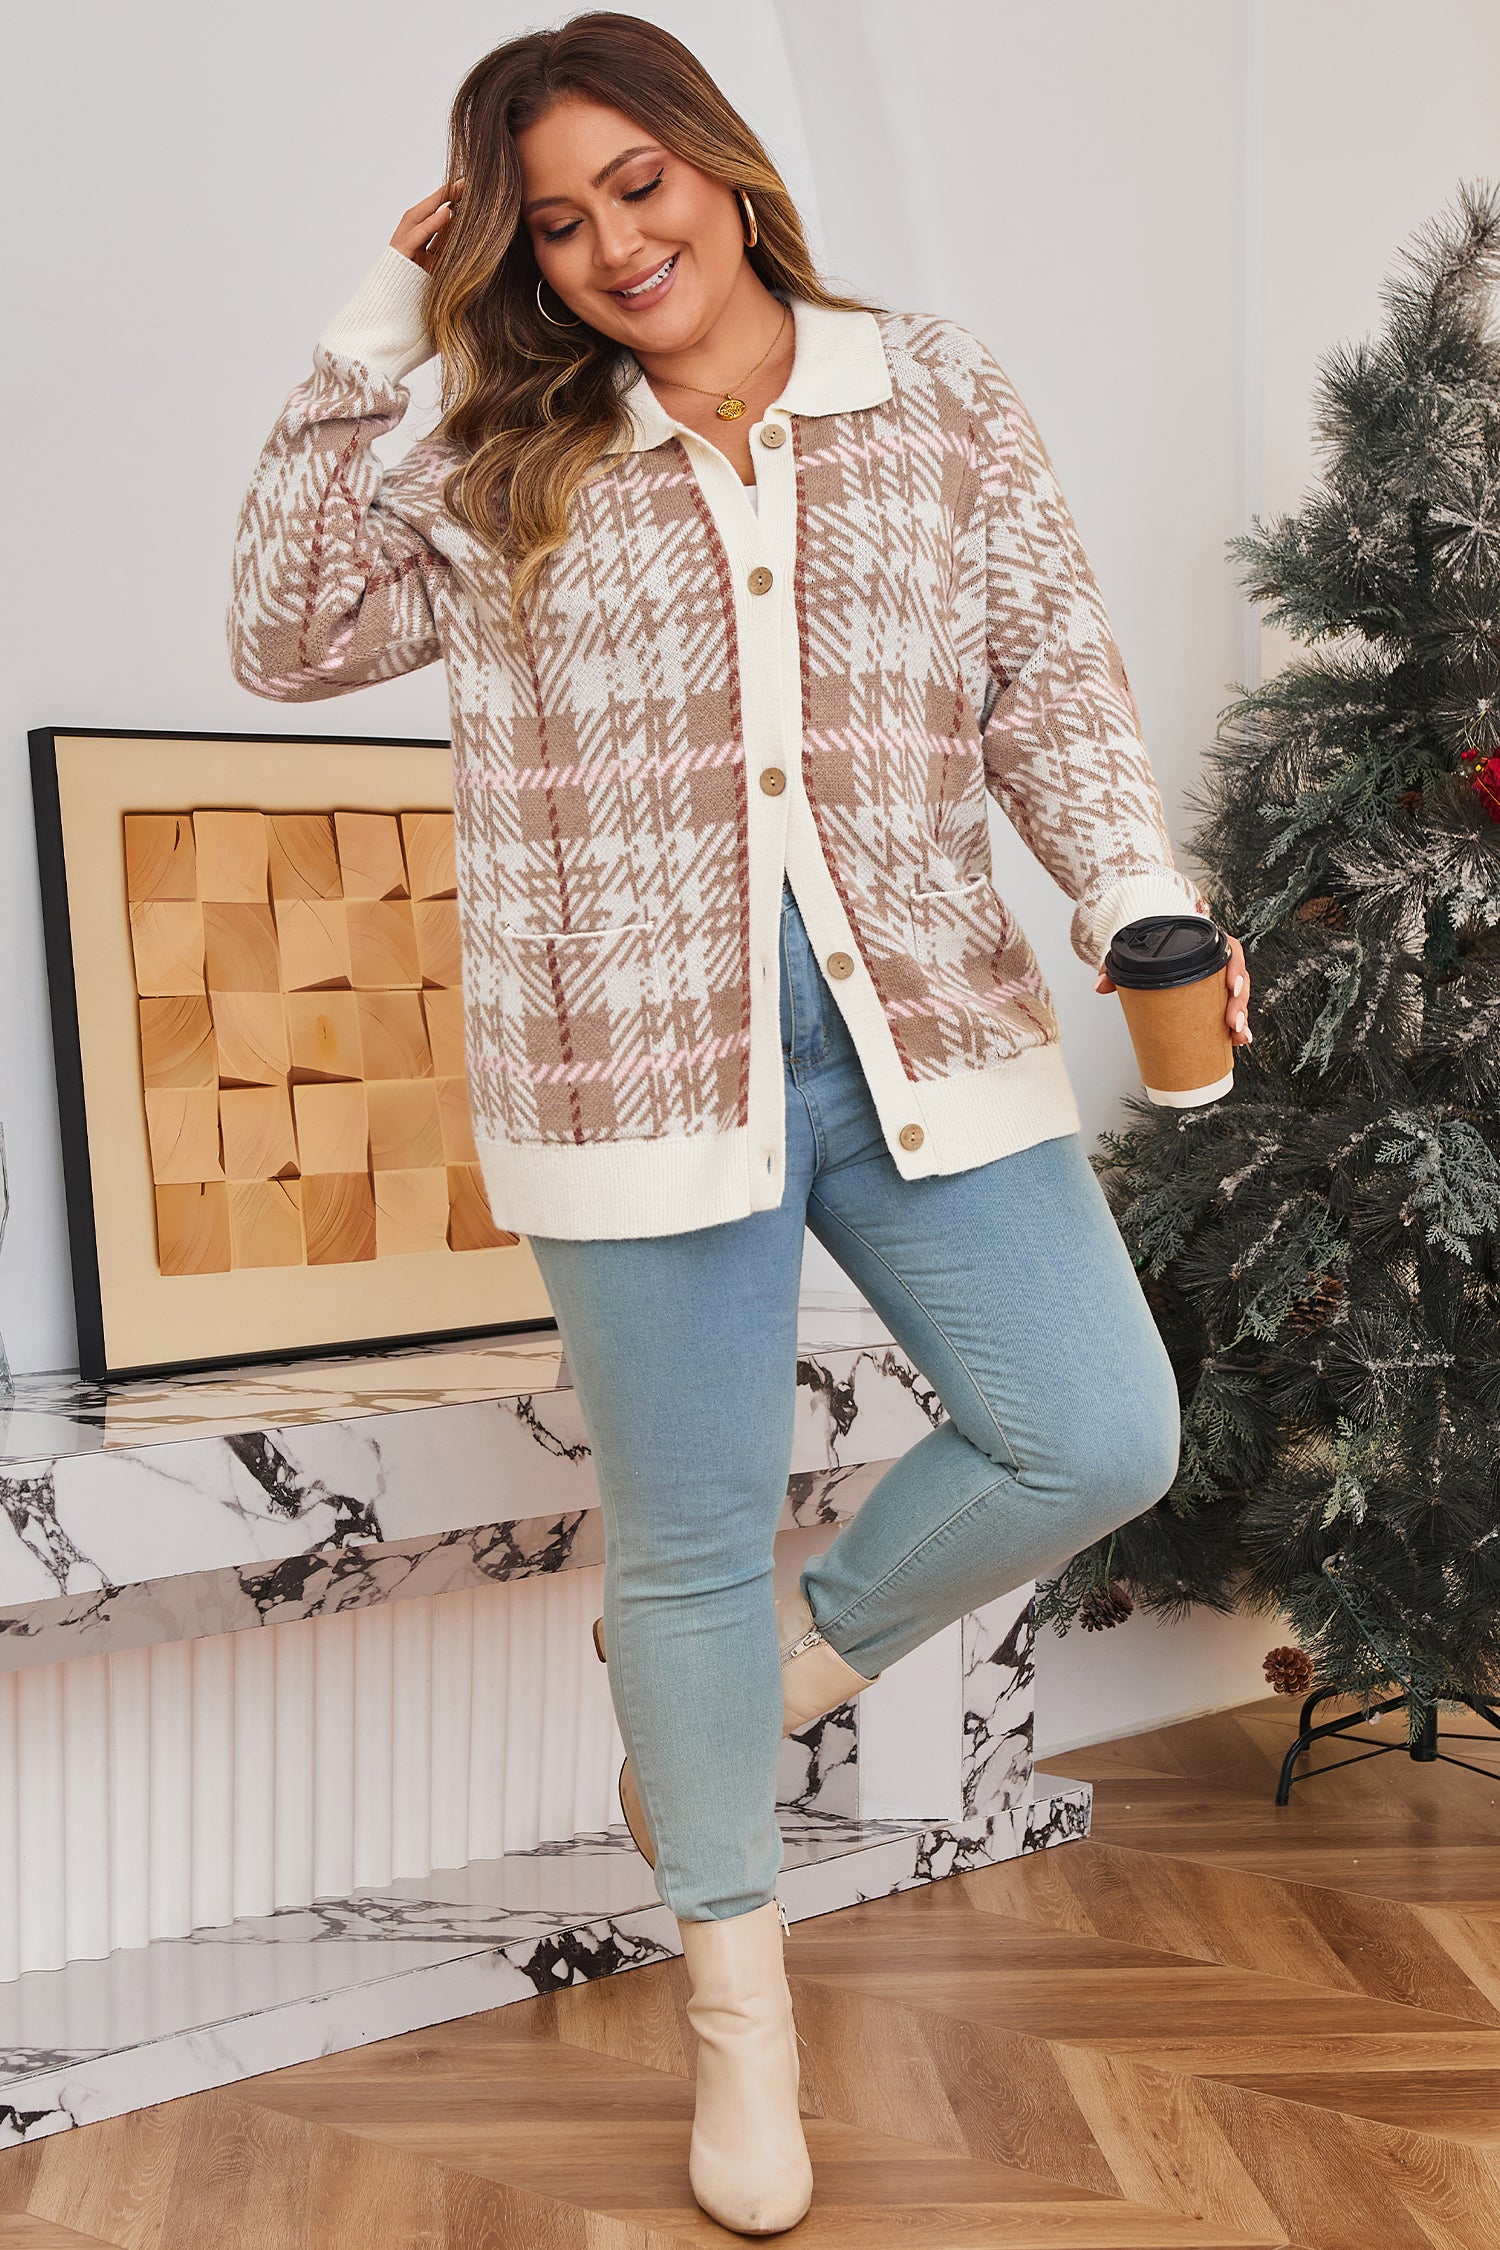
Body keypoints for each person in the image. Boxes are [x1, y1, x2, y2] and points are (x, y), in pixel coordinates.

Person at [228, 11, 1253, 2233]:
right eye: (555, 222)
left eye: (640, 185)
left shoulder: (931, 389)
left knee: (1096, 1428)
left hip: (926, 1029)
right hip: (628, 1062)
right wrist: (376, 323)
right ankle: (739, 2015)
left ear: (722, 163)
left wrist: (1137, 894)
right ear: (510, 252)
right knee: (682, 1543)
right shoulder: (506, 450)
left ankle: (769, 1677)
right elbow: (280, 635)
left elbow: (1052, 678)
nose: (614, 245)